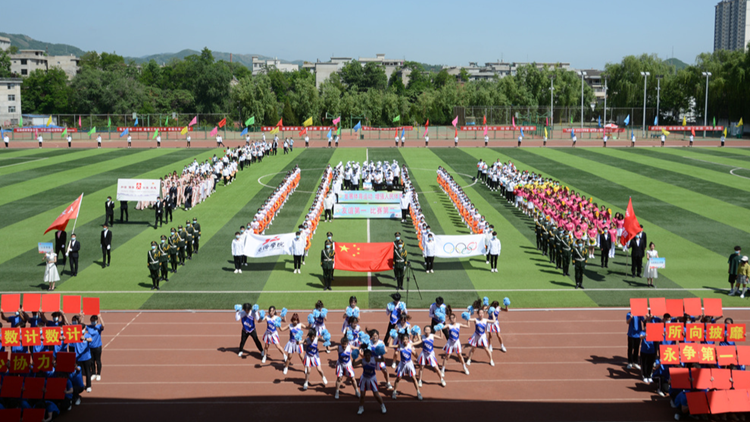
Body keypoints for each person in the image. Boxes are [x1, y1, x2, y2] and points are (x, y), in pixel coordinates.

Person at [390, 332, 422, 400]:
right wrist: (392, 337)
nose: (405, 340)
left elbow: (420, 341)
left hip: (409, 364)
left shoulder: (410, 344)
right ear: (402, 340)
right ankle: (394, 392)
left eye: (406, 339)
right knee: (398, 378)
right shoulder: (400, 345)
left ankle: (418, 392)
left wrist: (418, 334)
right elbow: (390, 345)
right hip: (402, 364)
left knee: (413, 378)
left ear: (408, 339)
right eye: (404, 339)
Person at [357, 347, 387, 414]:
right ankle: (361, 407)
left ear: (370, 355)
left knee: (376, 395)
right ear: (364, 356)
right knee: (362, 395)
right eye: (366, 355)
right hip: (364, 378)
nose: (367, 357)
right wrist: (354, 358)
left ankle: (382, 406)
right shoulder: (362, 361)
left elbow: (383, 360)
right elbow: (353, 364)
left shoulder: (374, 359)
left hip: (372, 378)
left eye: (368, 355)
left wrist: (381, 354)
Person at [70, 315, 94, 392]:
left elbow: (90, 340)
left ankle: (88, 386)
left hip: (86, 357)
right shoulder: (75, 336)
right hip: (78, 357)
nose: (81, 331)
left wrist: (85, 339)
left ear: (84, 329)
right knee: (78, 373)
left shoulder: (87, 335)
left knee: (87, 372)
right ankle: (81, 385)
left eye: (82, 329)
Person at [87, 315, 104, 381]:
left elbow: (103, 325)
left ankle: (98, 374)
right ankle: (93, 373)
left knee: (98, 361)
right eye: (92, 320)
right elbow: (81, 325)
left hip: (97, 347)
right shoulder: (89, 327)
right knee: (91, 361)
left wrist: (100, 317)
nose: (92, 321)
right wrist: (82, 317)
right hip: (90, 347)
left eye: (94, 320)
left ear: (96, 321)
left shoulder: (98, 327)